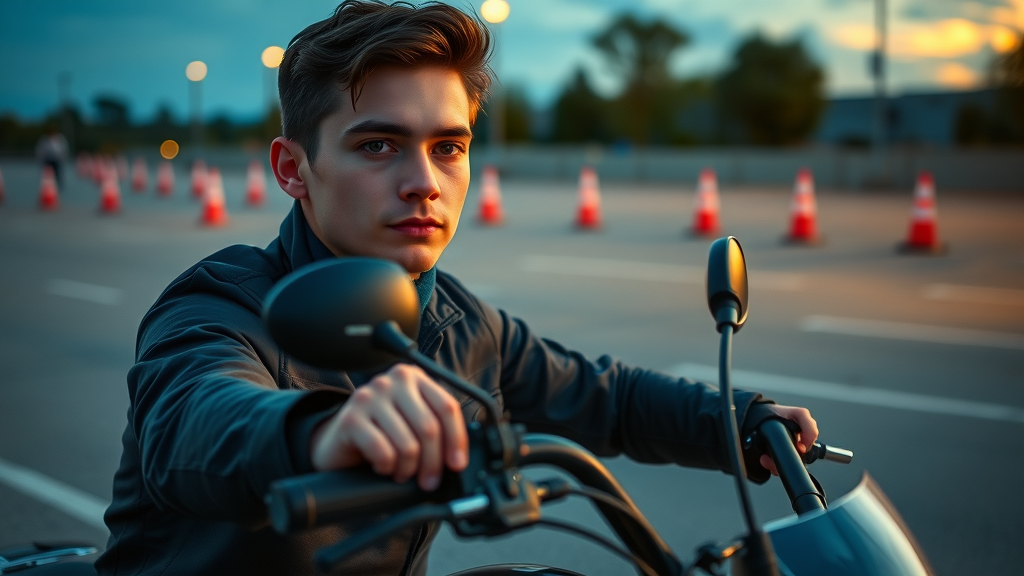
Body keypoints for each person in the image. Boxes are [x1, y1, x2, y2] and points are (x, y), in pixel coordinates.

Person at [96, 2, 818, 575]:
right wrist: (321, 429)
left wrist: (746, 420)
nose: (424, 183)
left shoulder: (457, 324)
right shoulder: (219, 303)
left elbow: (609, 398)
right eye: (378, 145)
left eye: (449, 147)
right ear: (292, 170)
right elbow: (193, 417)